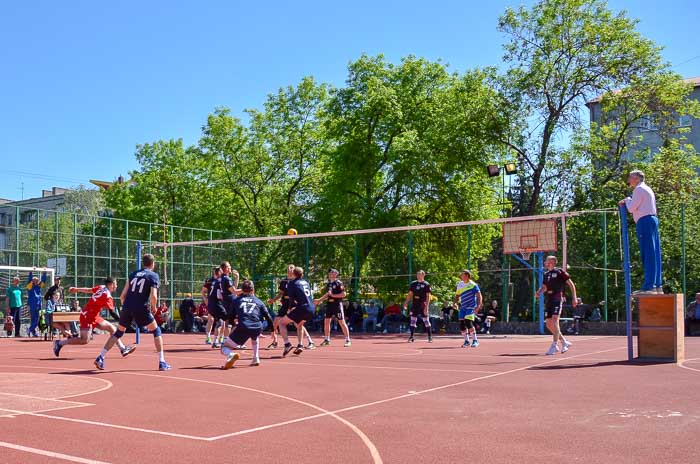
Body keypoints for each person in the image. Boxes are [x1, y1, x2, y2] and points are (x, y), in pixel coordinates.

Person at [95, 253, 170, 371]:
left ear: (143, 263)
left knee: (118, 333)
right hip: (140, 307)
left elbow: (122, 296)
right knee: (156, 330)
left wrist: (127, 309)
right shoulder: (153, 276)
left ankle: (101, 357)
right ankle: (162, 362)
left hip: (127, 306)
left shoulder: (133, 274)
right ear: (153, 264)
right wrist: (154, 307)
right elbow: (154, 296)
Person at [53, 278, 136, 359]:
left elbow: (89, 290)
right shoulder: (107, 296)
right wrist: (123, 321)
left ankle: (122, 349)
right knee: (84, 340)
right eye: (115, 284)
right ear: (111, 285)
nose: (116, 286)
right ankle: (59, 343)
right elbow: (112, 313)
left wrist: (76, 289)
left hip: (94, 316)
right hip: (87, 316)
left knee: (112, 328)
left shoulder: (102, 287)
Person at [619, 170, 662, 295]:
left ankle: (649, 286)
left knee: (647, 253)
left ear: (637, 178)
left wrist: (627, 200)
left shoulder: (638, 189)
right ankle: (657, 285)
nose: (629, 180)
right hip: (652, 220)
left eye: (630, 177)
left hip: (644, 221)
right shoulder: (647, 189)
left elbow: (631, 208)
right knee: (654, 253)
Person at [220, 280, 275, 369]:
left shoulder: (236, 300)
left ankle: (231, 354)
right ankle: (256, 358)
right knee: (254, 336)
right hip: (258, 327)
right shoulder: (259, 301)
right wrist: (273, 331)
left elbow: (231, 316)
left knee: (224, 347)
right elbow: (268, 316)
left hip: (244, 326)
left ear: (242, 290)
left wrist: (232, 325)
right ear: (253, 290)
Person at [535, 256, 577, 355]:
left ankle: (554, 345)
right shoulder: (546, 274)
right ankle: (563, 341)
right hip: (549, 299)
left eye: (546, 260)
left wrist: (574, 297)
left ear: (552, 262)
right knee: (548, 323)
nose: (545, 262)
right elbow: (545, 287)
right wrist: (539, 292)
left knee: (554, 320)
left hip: (557, 297)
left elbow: (571, 284)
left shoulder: (559, 272)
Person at [267, 264, 315, 350]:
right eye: (288, 268)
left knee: (298, 324)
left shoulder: (295, 282)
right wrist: (273, 300)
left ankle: (309, 341)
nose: (289, 269)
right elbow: (281, 293)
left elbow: (295, 297)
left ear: (294, 271)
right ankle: (275, 342)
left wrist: (292, 306)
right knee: (275, 323)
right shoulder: (284, 281)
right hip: (285, 304)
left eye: (291, 268)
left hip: (294, 305)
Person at [315, 269, 351, 347]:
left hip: (337, 305)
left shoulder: (338, 283)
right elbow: (328, 294)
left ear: (336, 274)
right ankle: (327, 339)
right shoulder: (328, 284)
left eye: (332, 272)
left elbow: (344, 294)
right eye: (330, 272)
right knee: (326, 321)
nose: (330, 273)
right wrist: (319, 300)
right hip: (329, 305)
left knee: (341, 322)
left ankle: (348, 340)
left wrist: (334, 296)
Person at [454, 270, 482, 348]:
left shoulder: (473, 285)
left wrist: (478, 306)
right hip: (463, 307)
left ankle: (475, 340)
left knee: (468, 322)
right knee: (462, 324)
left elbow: (479, 296)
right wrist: (455, 303)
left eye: (462, 274)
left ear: (467, 275)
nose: (460, 276)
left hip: (471, 306)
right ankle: (466, 341)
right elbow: (457, 295)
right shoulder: (460, 284)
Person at [403, 270, 433, 343]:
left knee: (426, 320)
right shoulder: (413, 283)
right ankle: (411, 337)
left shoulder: (426, 284)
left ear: (423, 275)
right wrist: (406, 302)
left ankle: (429, 337)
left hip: (423, 304)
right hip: (415, 304)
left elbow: (428, 296)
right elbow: (410, 294)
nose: (418, 275)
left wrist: (427, 307)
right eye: (417, 274)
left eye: (419, 274)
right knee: (413, 320)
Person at [219, 262, 240, 347]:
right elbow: (235, 291)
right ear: (226, 268)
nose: (230, 267)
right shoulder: (226, 279)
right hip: (230, 302)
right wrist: (247, 289)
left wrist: (237, 277)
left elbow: (234, 288)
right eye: (229, 266)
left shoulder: (224, 278)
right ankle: (232, 341)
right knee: (234, 322)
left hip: (226, 301)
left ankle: (226, 340)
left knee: (229, 322)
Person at [202, 267, 222, 345]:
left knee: (222, 321)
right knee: (211, 319)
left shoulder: (222, 280)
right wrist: (206, 300)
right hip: (212, 303)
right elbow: (203, 292)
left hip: (220, 303)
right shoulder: (210, 281)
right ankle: (208, 337)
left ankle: (221, 337)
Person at [26, 272, 47, 337]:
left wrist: (44, 273)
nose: (37, 281)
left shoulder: (39, 286)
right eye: (35, 280)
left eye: (37, 280)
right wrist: (30, 272)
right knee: (33, 319)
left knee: (39, 319)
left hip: (38, 305)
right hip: (32, 305)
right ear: (32, 281)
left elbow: (43, 281)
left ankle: (30, 329)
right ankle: (33, 332)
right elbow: (29, 280)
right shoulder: (29, 286)